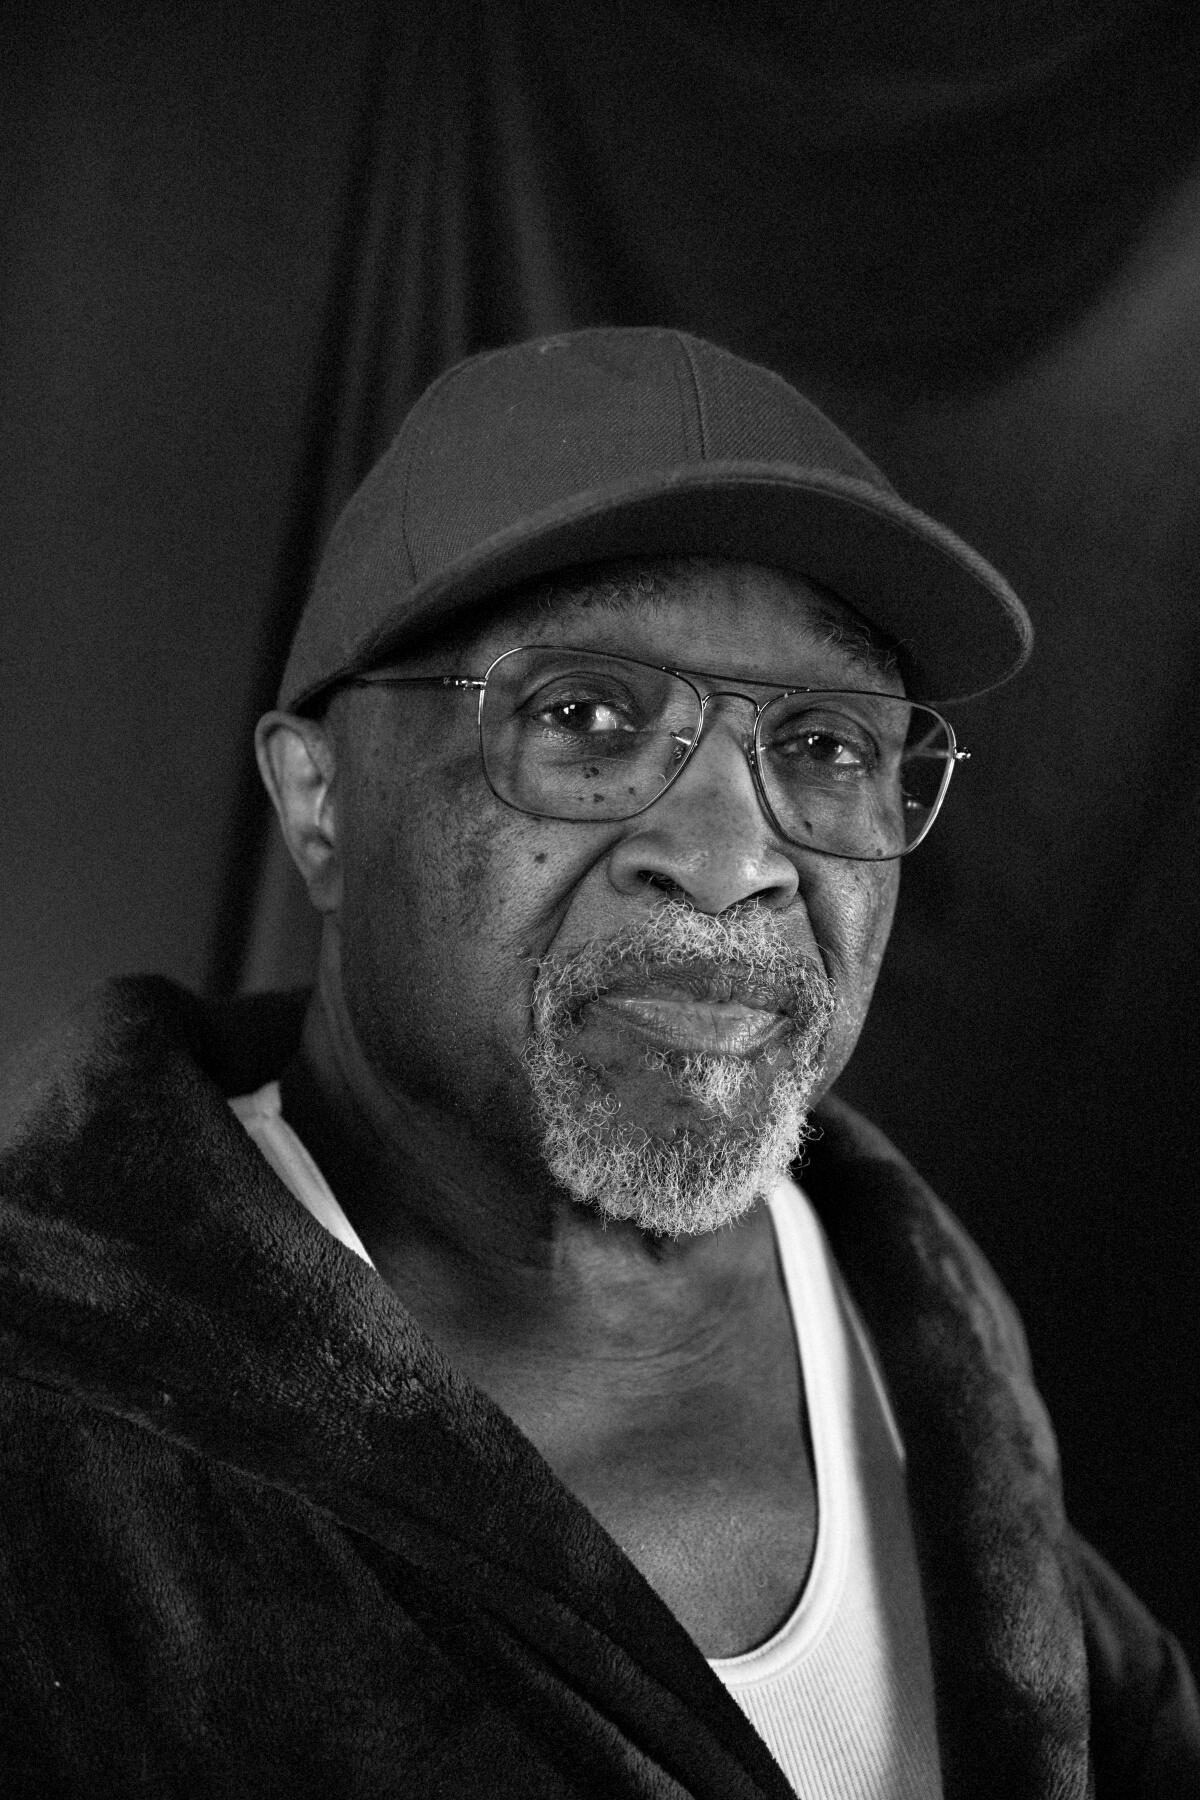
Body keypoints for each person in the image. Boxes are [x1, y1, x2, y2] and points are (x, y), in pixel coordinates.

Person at [0, 328, 1195, 1800]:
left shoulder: (925, 1318)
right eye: (584, 716)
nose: (732, 857)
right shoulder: (58, 1419)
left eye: (824, 742)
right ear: (319, 801)